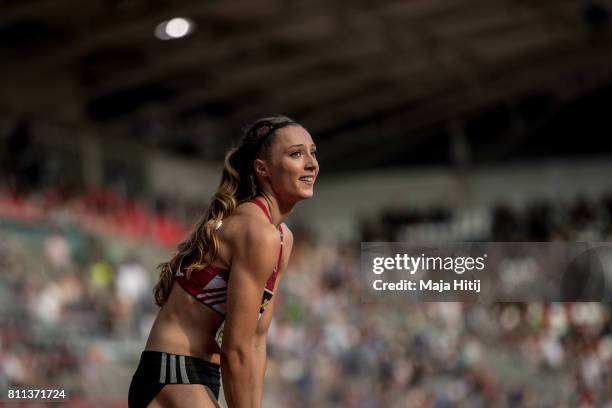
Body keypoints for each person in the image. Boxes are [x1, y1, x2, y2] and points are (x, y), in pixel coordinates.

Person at [128, 115, 318, 408]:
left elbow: (256, 340)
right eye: (296, 154)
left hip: (205, 375)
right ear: (262, 169)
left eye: (312, 153)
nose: (311, 163)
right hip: (171, 372)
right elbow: (236, 348)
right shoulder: (256, 231)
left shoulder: (282, 238)